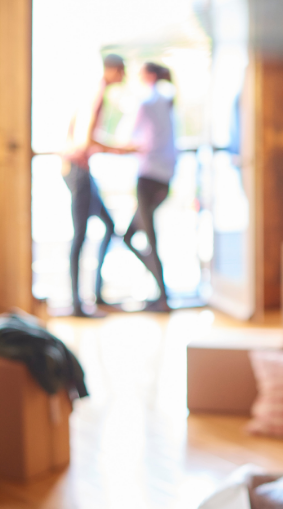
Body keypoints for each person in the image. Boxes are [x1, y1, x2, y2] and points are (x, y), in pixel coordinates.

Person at [62, 53, 133, 317]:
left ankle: (95, 296)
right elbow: (86, 140)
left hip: (80, 169)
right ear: (113, 70)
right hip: (77, 169)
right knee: (80, 235)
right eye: (123, 71)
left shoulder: (94, 91)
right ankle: (77, 304)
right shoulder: (97, 94)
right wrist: (120, 150)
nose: (124, 77)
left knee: (109, 226)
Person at [124, 62, 178, 312]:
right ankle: (162, 291)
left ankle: (163, 296)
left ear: (150, 75)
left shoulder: (147, 102)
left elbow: (132, 138)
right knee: (133, 235)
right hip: (165, 176)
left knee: (146, 237)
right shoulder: (168, 99)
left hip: (148, 177)